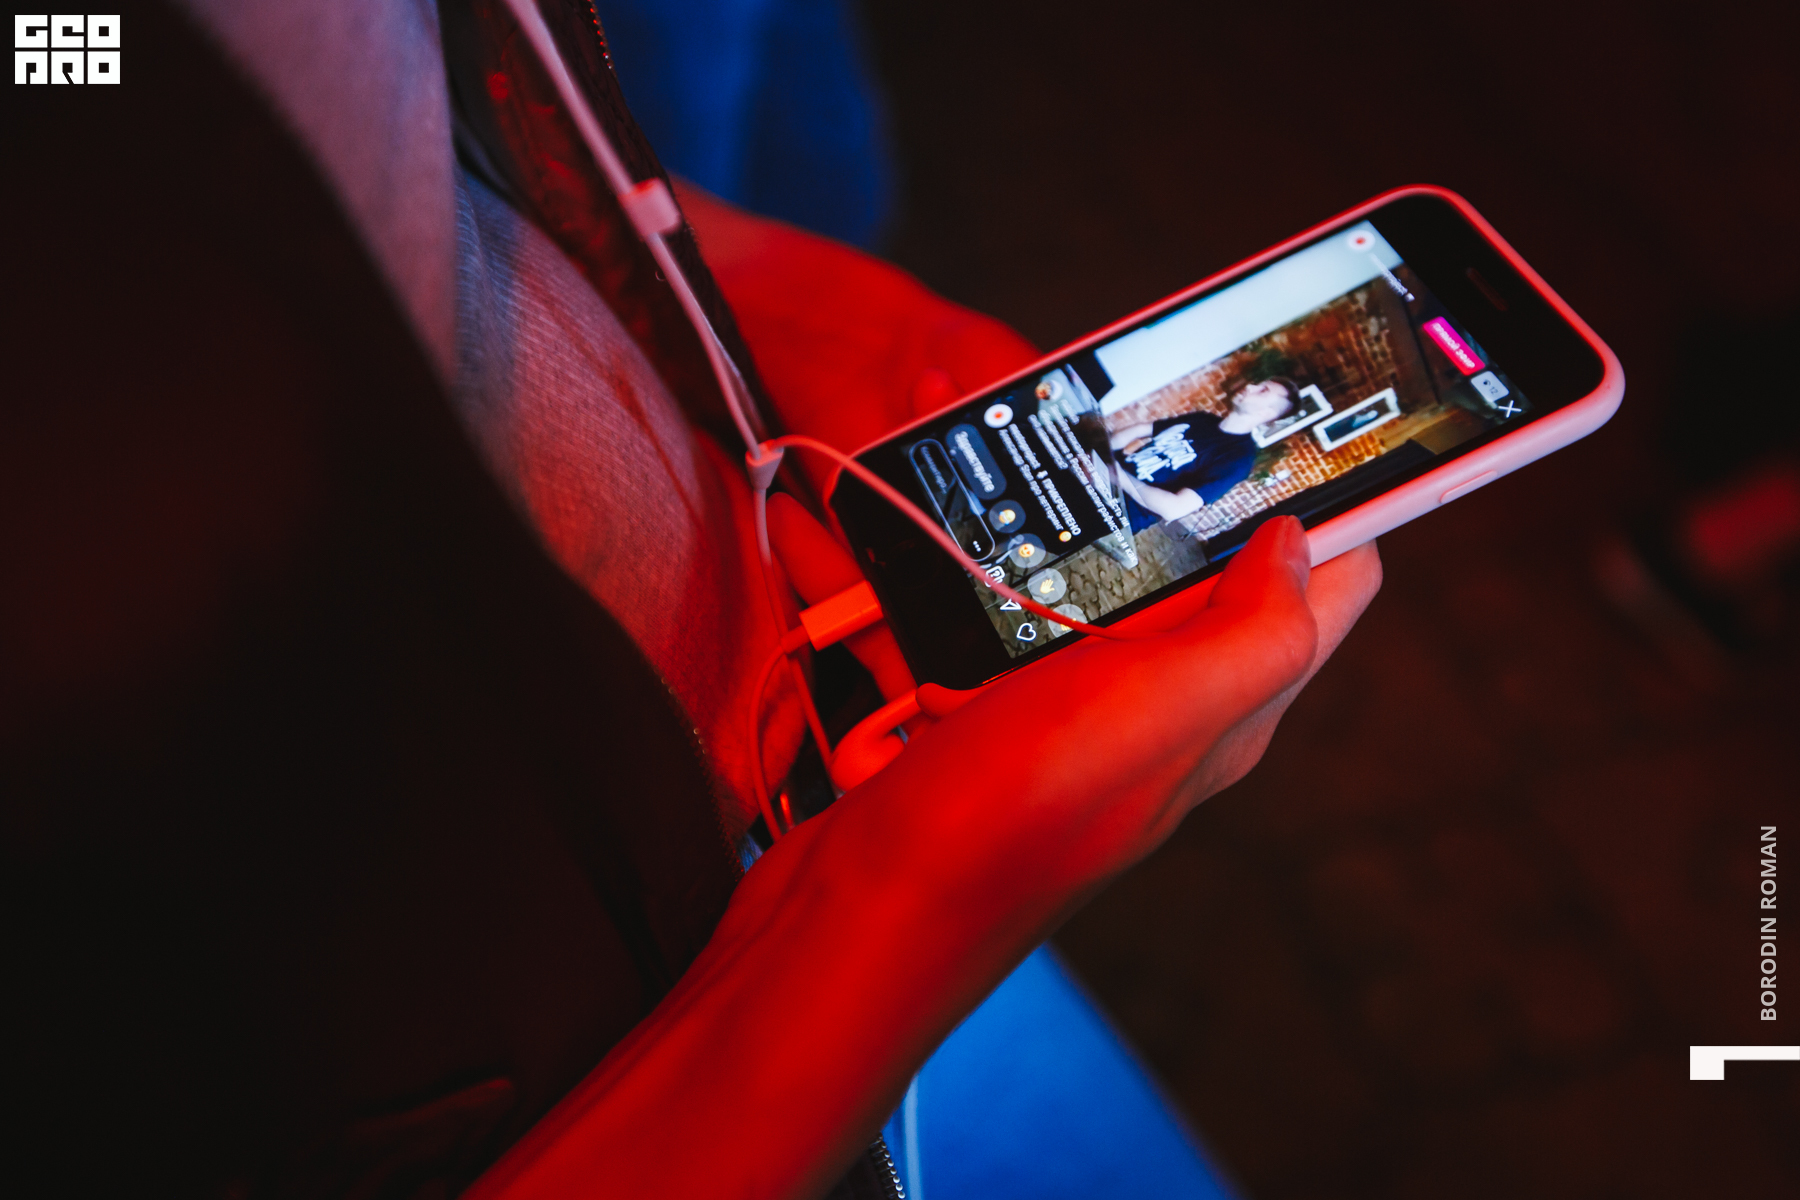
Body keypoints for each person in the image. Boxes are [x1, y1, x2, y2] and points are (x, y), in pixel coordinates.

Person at [4, 3, 1381, 1198]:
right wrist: (884, 917)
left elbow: (201, 97)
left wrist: (738, 293)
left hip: (791, 713)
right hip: (620, 1024)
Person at [1110, 378, 1301, 530]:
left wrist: (1118, 477)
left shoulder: (1238, 460)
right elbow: (1140, 430)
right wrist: (1106, 454)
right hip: (1108, 475)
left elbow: (1174, 509)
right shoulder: (1202, 419)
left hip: (1120, 511)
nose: (1250, 386)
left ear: (1266, 414)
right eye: (1258, 384)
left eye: (1263, 390)